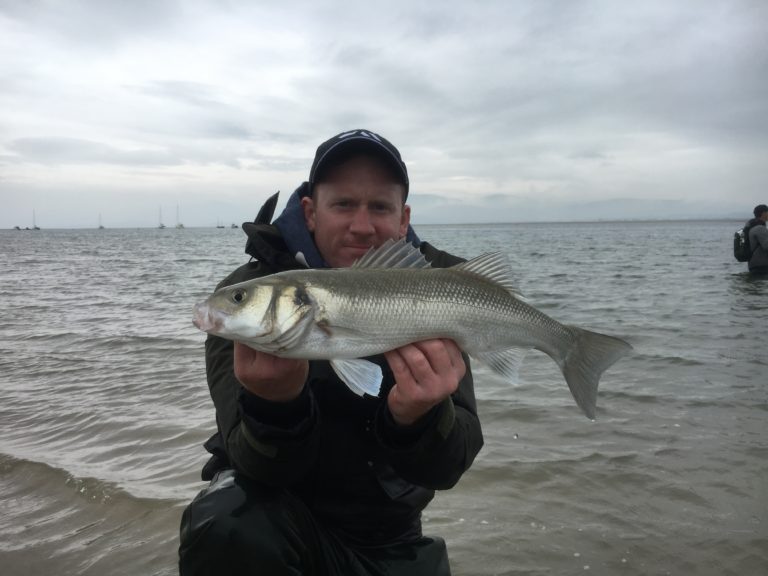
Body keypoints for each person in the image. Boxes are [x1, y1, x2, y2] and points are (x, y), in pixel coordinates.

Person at [179, 129, 484, 575]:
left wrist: (416, 418)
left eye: (380, 207)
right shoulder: (248, 298)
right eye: (343, 204)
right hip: (272, 522)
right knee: (227, 521)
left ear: (404, 219)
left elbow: (449, 466)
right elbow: (254, 463)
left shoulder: (437, 292)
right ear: (311, 211)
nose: (362, 226)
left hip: (390, 537)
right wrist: (275, 407)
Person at [747, 204, 768, 275]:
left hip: (754, 265)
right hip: (762, 266)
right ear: (763, 213)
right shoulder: (760, 228)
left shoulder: (752, 227)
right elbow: (766, 246)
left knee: (757, 286)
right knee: (761, 285)